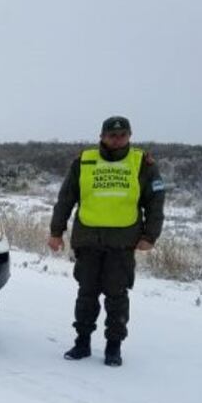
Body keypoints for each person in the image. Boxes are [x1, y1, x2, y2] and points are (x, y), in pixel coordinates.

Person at [47, 116, 165, 367]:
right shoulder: (84, 160)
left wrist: (149, 236)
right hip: (88, 239)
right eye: (112, 135)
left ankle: (114, 346)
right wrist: (56, 231)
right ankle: (82, 342)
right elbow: (66, 198)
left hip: (122, 242)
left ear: (130, 136)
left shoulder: (142, 162)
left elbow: (155, 202)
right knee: (86, 294)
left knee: (117, 296)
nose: (117, 139)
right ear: (102, 136)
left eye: (122, 134)